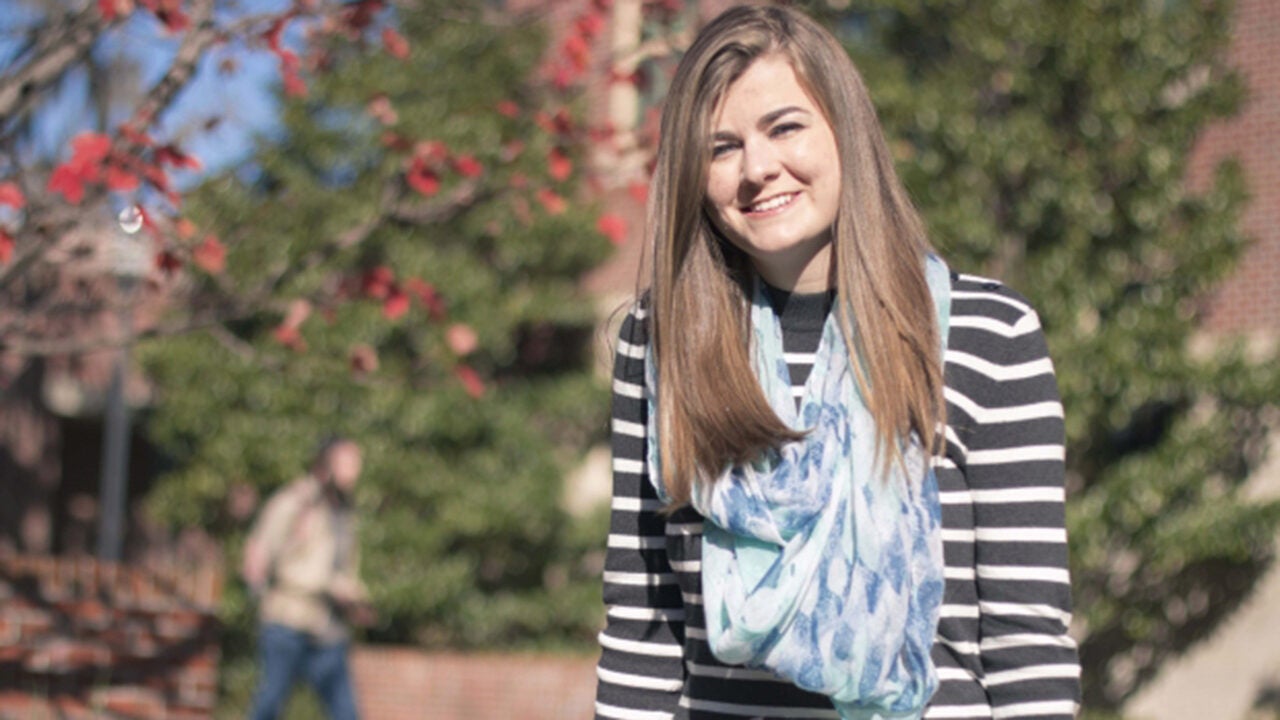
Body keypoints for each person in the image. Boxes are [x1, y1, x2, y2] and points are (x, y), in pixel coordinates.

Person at [594, 5, 1080, 720]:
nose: (758, 168)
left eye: (785, 127)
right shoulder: (660, 343)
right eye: (721, 147)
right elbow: (643, 629)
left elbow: (1026, 643)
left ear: (844, 130)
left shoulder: (987, 335)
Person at [243, 437, 373, 720]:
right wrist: (258, 592)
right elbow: (259, 550)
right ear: (326, 465)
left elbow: (343, 569)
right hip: (287, 620)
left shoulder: (344, 511)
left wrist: (356, 598)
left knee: (346, 713)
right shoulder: (296, 501)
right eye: (348, 463)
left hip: (328, 625)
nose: (355, 472)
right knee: (269, 703)